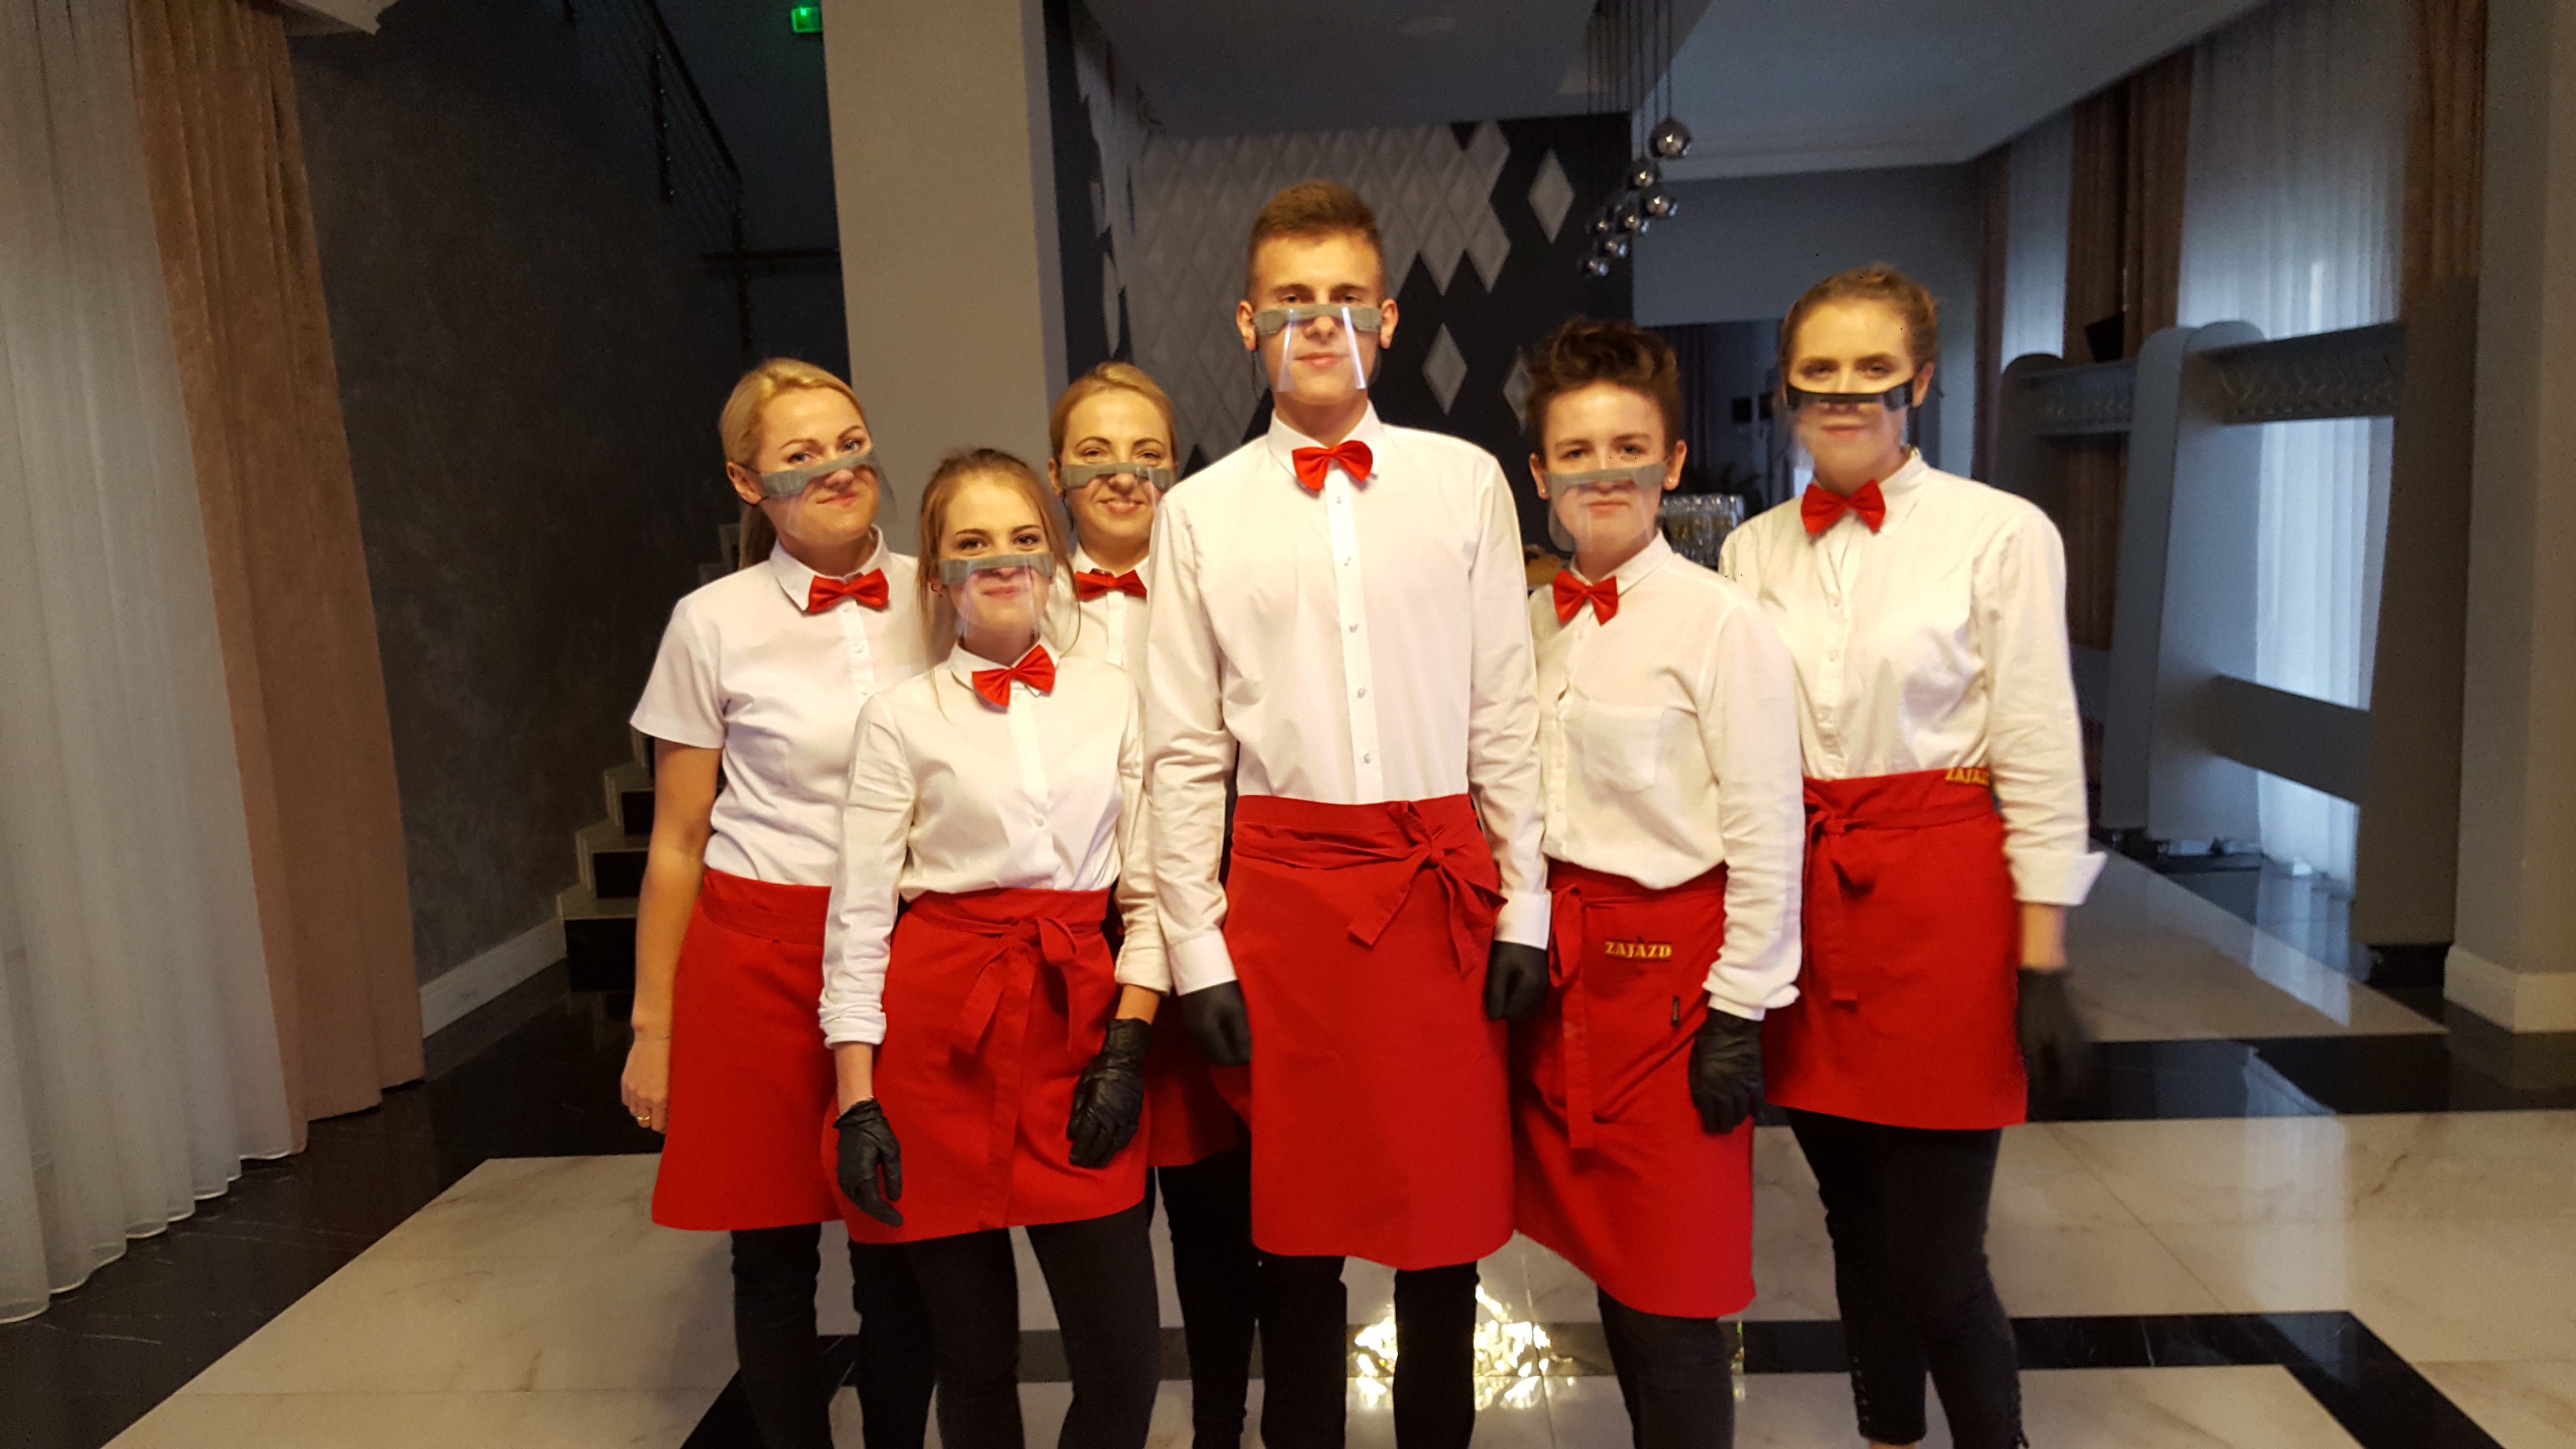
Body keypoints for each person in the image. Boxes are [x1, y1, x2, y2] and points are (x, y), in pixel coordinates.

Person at [1143, 179, 1549, 1449]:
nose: (1318, 322)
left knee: (1443, 1240)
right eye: (1289, 300)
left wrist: (1527, 905)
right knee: (1298, 1244)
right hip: (1285, 909)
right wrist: (1196, 948)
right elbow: (1182, 753)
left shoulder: (1467, 483)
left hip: (1442, 892)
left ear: (1385, 318)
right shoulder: (1196, 513)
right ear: (1246, 324)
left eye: (1343, 298)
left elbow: (1504, 713)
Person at [1718, 264, 2099, 1449]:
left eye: (1872, 370)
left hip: (1944, 905)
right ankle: (1888, 1436)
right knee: (1855, 1227)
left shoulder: (2001, 534)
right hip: (1807, 903)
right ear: (1787, 388)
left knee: (1938, 1262)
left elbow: (2039, 748)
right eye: (1818, 372)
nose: (1844, 394)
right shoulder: (1749, 553)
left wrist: (2043, 960)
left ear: (1919, 383)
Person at [819, 449, 1167, 1449]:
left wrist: (1128, 1045)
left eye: (1022, 538)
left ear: (1052, 558)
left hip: (1077, 1023)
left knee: (1124, 1366)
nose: (1001, 561)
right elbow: (860, 916)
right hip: (940, 1041)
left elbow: (1149, 890)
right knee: (973, 1365)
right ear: (936, 576)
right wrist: (858, 1099)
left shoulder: (1114, 694)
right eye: (971, 543)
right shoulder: (898, 717)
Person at [623, 358, 936, 1449]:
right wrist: (653, 1027)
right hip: (757, 952)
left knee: (900, 1243)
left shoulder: (941, 592)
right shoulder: (709, 622)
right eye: (801, 455)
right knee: (771, 1254)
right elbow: (677, 840)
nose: (838, 467)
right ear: (746, 483)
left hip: (906, 951)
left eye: (850, 441)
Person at [1516, 319, 1805, 1448]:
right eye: (1575, 452)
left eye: (1629, 448)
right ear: (1540, 473)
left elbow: (1767, 828)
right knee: (1616, 1271)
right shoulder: (1530, 624)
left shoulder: (1724, 624)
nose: (1604, 473)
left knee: (1675, 1292)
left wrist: (1740, 1011)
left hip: (1675, 989)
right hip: (1562, 984)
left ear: (1672, 463)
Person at [1047, 364, 1259, 1449]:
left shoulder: (1227, 592)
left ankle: (1222, 1428)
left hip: (1215, 929)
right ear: (1056, 473)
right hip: (1082, 946)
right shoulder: (1022, 602)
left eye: (1147, 453)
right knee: (1103, 1228)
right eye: (1095, 453)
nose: (1123, 474)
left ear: (1176, 469)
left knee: (1222, 1232)